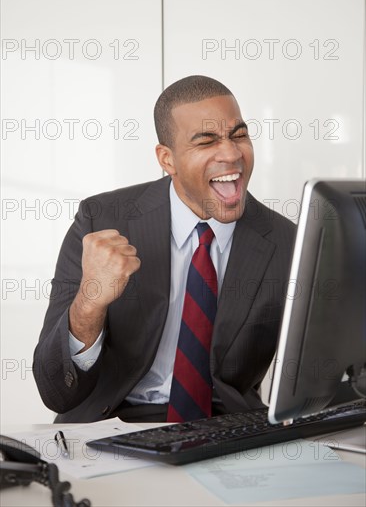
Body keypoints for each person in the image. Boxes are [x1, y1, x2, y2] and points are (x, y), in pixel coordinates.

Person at [33, 75, 296, 423]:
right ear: (167, 159)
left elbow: (327, 364)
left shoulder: (286, 241)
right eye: (206, 141)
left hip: (226, 426)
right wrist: (91, 300)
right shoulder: (100, 221)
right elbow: (56, 391)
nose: (232, 154)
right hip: (111, 424)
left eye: (239, 135)